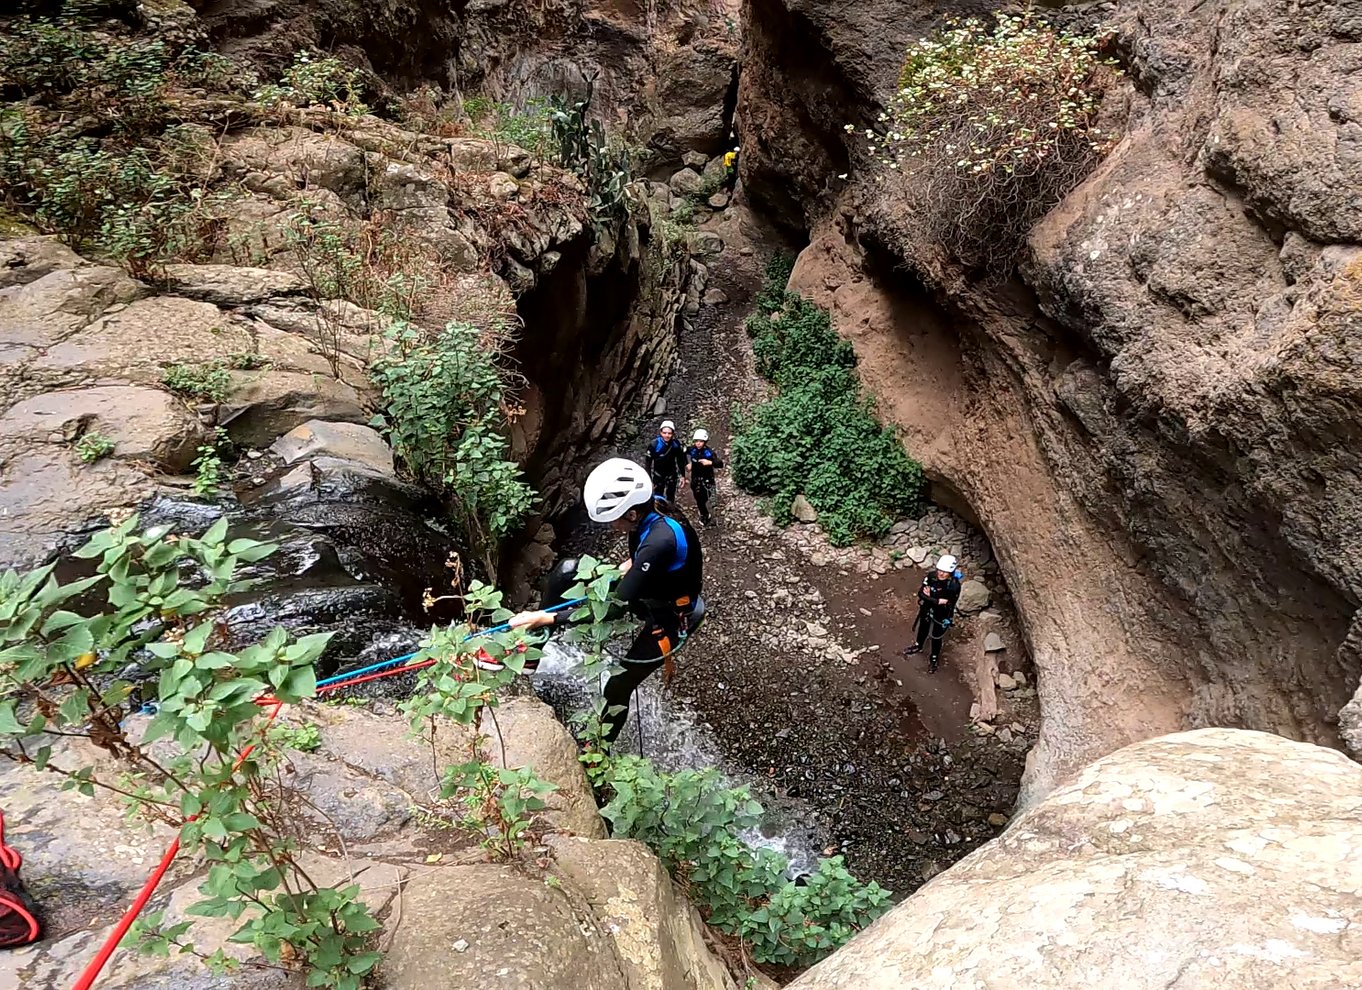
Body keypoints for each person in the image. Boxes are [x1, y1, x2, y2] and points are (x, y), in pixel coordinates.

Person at [510, 458, 704, 743]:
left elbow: (617, 606)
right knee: (566, 572)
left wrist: (546, 617)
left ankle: (599, 748)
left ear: (633, 514)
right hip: (651, 587)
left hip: (671, 615)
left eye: (614, 518)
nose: (611, 525)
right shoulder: (654, 507)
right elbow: (653, 556)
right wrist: (630, 566)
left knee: (617, 686)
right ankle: (532, 653)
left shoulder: (660, 540)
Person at [903, 554, 961, 673]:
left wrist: (931, 597)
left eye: (945, 572)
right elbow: (921, 593)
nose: (941, 574)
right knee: (923, 627)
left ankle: (934, 657)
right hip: (927, 608)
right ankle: (918, 645)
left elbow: (948, 605)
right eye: (940, 570)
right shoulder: (931, 577)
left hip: (942, 614)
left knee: (936, 635)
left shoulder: (954, 586)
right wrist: (937, 600)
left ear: (950, 572)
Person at [685, 429, 724, 525]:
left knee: (707, 497)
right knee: (698, 498)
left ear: (705, 442)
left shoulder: (708, 453)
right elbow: (682, 454)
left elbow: (720, 464)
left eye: (701, 441)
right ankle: (704, 514)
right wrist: (688, 463)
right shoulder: (692, 449)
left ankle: (705, 511)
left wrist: (710, 462)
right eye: (696, 441)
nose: (698, 443)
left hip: (707, 479)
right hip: (695, 479)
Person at [644, 420, 686, 503]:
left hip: (672, 475)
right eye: (664, 433)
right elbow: (648, 463)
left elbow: (680, 460)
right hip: (658, 476)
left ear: (673, 433)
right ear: (660, 432)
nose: (667, 435)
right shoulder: (654, 445)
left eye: (669, 433)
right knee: (658, 497)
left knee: (671, 496)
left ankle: (670, 511)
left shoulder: (676, 445)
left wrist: (682, 476)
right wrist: (649, 480)